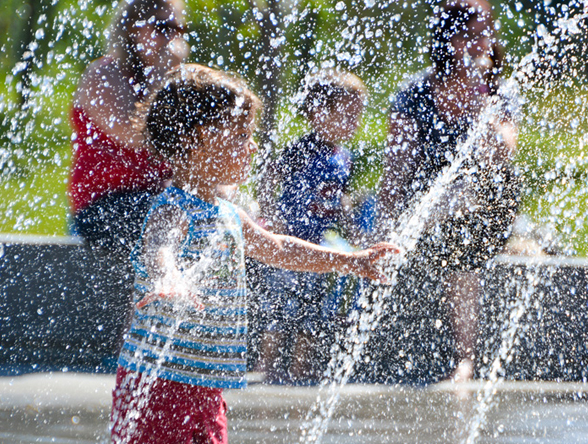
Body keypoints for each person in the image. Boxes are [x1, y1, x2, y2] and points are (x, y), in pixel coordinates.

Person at [109, 64, 399, 443]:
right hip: (160, 386)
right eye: (242, 135)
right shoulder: (174, 206)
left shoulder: (229, 213)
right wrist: (169, 277)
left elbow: (279, 247)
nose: (253, 146)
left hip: (208, 386)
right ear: (199, 140)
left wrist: (351, 261)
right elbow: (160, 245)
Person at [374, 0, 520, 382]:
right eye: (469, 34)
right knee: (443, 212)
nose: (480, 42)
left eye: (485, 32)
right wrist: (384, 222)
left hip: (483, 200)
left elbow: (502, 153)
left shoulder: (496, 91)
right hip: (429, 203)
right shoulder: (414, 94)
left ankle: (465, 358)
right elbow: (397, 169)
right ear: (447, 38)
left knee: (462, 226)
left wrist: (480, 107)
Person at [67, 0, 188, 355]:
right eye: (164, 29)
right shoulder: (104, 76)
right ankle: (135, 348)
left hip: (157, 198)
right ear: (135, 29)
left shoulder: (170, 78)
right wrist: (166, 78)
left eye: (180, 30)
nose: (173, 41)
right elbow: (135, 134)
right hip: (105, 203)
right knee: (167, 218)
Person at [256, 69, 367, 383]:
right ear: (319, 113)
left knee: (313, 305)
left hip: (317, 243)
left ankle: (300, 365)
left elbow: (339, 196)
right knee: (279, 305)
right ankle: (268, 363)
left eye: (358, 116)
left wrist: (353, 227)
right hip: (288, 241)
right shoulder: (301, 149)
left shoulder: (345, 157)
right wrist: (270, 214)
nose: (355, 123)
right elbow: (268, 176)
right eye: (348, 115)